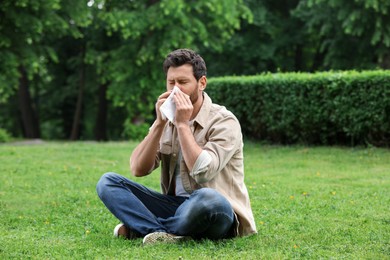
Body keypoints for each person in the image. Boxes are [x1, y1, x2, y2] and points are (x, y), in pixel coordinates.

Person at [96, 49, 257, 245]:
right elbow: (138, 169)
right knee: (108, 182)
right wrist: (159, 124)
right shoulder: (167, 119)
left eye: (183, 82)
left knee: (207, 198)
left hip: (218, 211)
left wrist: (182, 124)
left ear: (202, 83)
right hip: (176, 207)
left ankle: (142, 228)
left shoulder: (224, 122)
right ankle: (159, 233)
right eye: (171, 82)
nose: (175, 90)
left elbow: (203, 172)